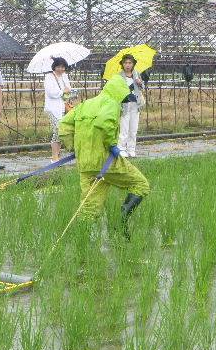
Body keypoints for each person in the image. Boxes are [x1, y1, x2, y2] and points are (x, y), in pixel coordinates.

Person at [59, 73, 150, 239]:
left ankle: (82, 243)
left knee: (90, 207)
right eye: (124, 98)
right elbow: (104, 122)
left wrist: (74, 147)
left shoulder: (85, 104)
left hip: (85, 164)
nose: (124, 102)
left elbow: (63, 125)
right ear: (118, 93)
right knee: (141, 184)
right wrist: (112, 145)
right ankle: (121, 221)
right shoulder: (111, 103)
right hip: (106, 161)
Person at [44, 57, 72, 162]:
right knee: (58, 131)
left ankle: (57, 155)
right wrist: (63, 91)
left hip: (63, 107)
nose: (61, 69)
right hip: (53, 108)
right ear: (54, 66)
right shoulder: (49, 77)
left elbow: (68, 89)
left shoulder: (64, 76)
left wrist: (67, 92)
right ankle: (55, 158)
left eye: (63, 67)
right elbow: (52, 93)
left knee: (62, 131)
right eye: (59, 66)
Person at [117, 54, 145, 158]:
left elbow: (142, 87)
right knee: (124, 129)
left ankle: (131, 149)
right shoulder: (119, 76)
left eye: (130, 63)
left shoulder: (136, 74)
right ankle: (121, 148)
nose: (127, 65)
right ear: (122, 64)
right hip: (125, 105)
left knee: (133, 129)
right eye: (125, 63)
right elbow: (117, 90)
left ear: (133, 64)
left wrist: (140, 83)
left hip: (135, 105)